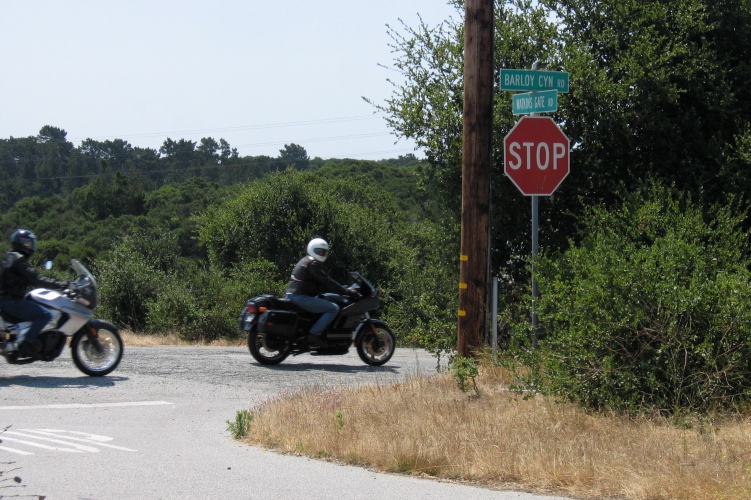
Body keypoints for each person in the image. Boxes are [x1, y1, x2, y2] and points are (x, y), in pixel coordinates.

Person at [0, 229, 69, 357]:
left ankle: (23, 338)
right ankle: (27, 343)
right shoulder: (18, 260)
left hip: (6, 300)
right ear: (20, 243)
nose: (30, 246)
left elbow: (25, 278)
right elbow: (36, 279)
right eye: (27, 243)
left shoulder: (10, 256)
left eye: (30, 243)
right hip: (11, 302)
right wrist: (60, 284)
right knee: (45, 315)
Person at [285, 238, 360, 347]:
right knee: (333, 308)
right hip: (300, 297)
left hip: (294, 295)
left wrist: (341, 288)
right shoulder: (312, 263)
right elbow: (327, 280)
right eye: (319, 251)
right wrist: (346, 291)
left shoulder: (306, 260)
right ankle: (314, 334)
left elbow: (323, 282)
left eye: (323, 252)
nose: (322, 254)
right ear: (312, 249)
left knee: (326, 300)